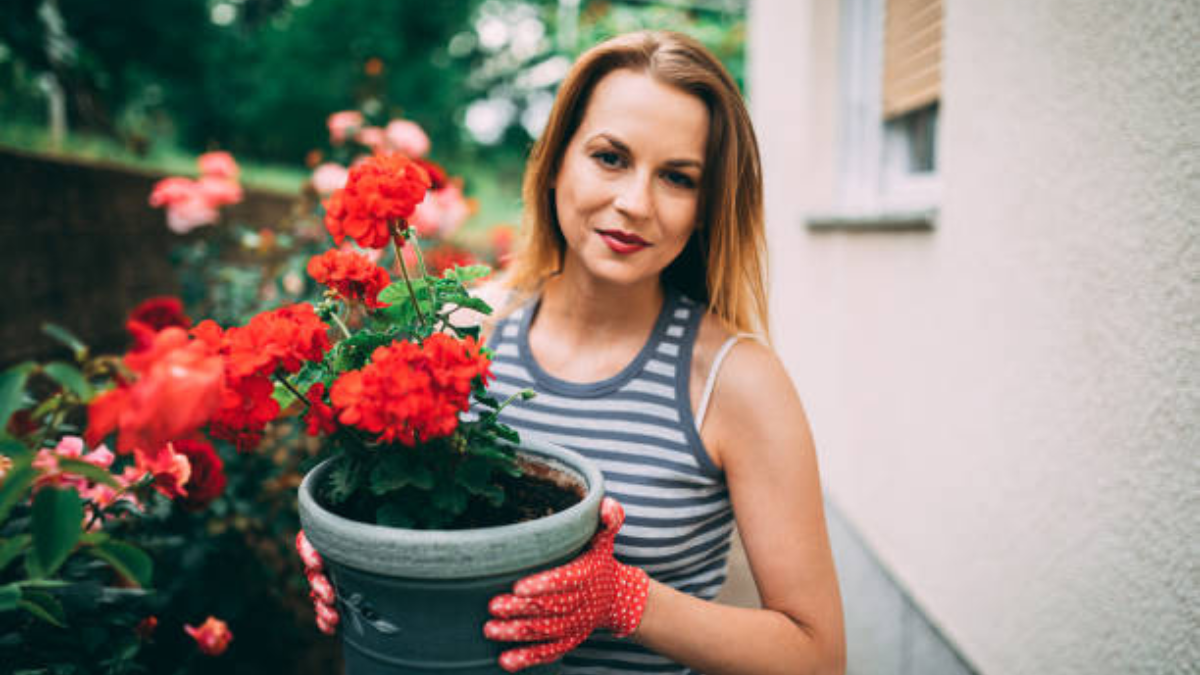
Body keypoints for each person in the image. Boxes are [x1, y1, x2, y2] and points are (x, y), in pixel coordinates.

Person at [301, 30, 845, 675]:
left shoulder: (736, 382)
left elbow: (817, 655)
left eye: (677, 177)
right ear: (557, 161)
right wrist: (352, 555)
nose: (634, 203)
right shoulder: (460, 330)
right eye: (611, 158)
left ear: (705, 207)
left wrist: (624, 599)